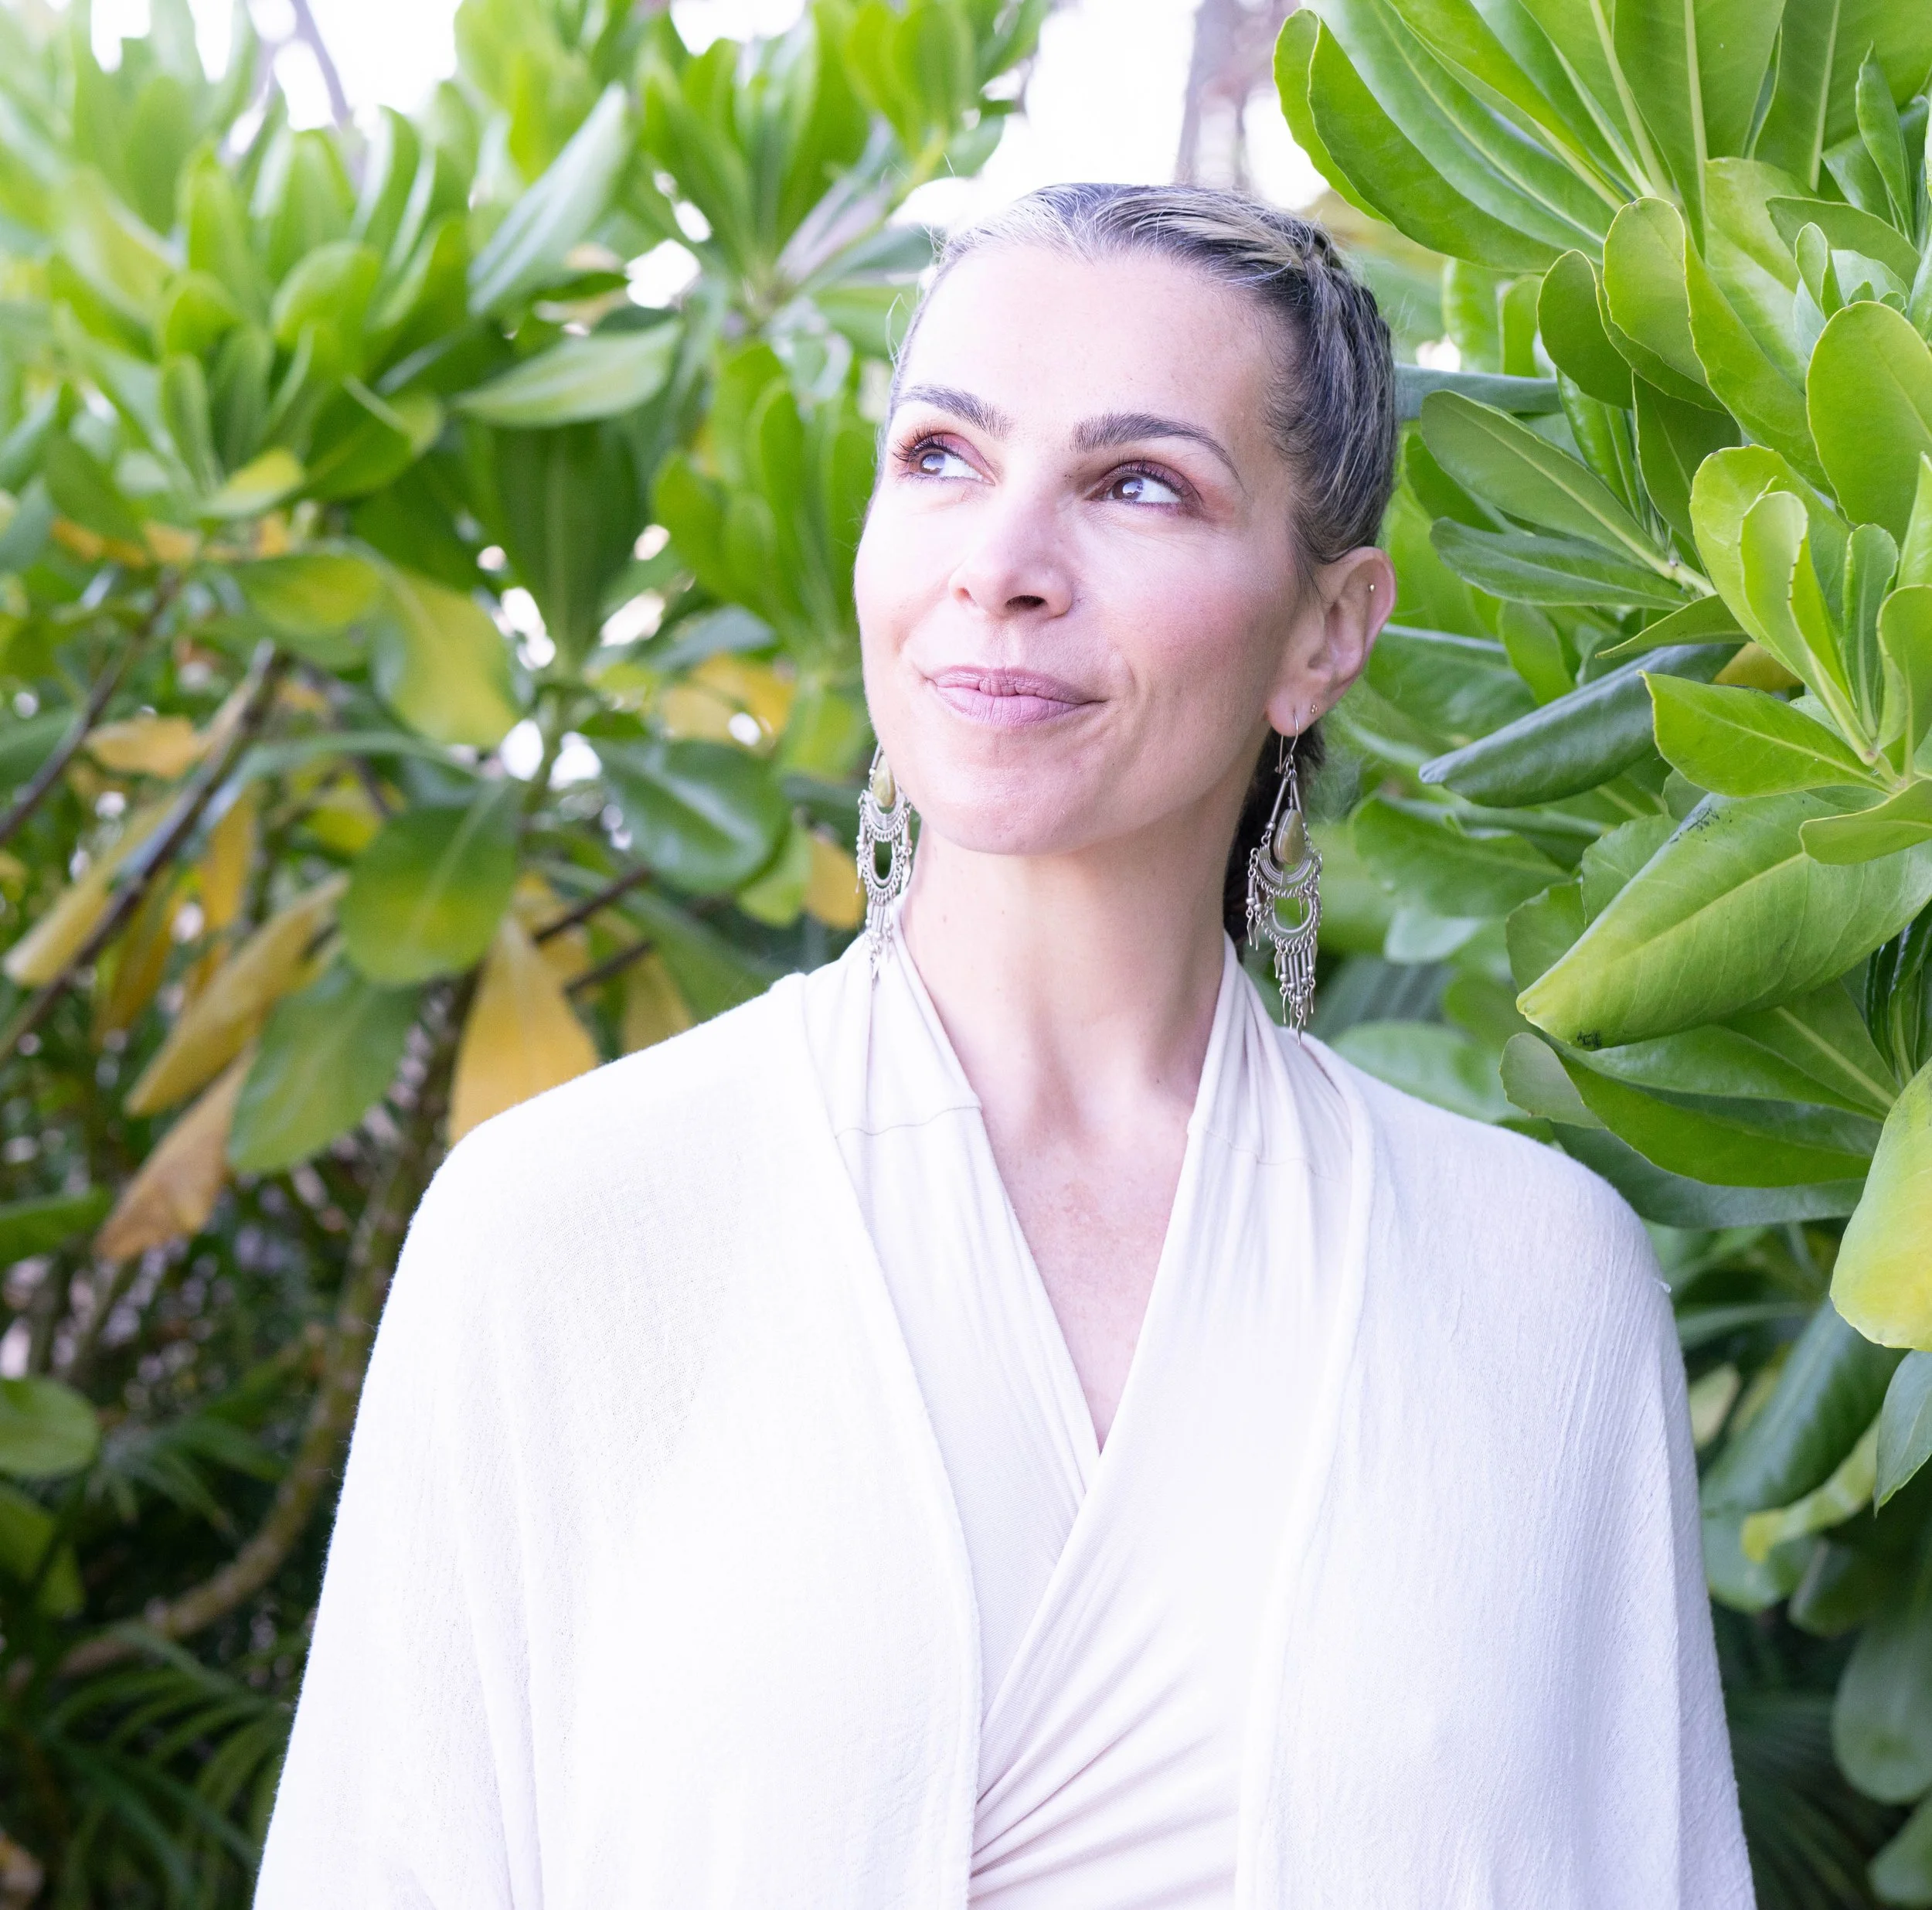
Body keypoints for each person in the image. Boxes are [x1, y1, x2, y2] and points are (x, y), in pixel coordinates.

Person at [255, 184, 1751, 1908]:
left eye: (1136, 484)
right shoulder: (559, 1229)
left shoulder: (1537, 1279)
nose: (998, 565)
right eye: (942, 458)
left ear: (1324, 631)